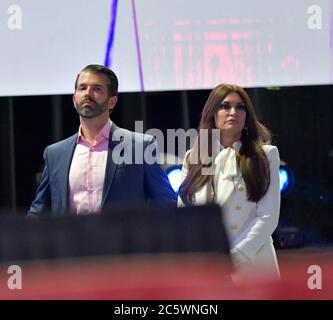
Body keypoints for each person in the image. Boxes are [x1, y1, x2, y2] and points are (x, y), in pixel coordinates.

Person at [28, 64, 176, 216]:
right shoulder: (55, 154)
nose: (88, 93)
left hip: (125, 239)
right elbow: (38, 211)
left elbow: (167, 204)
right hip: (71, 239)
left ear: (112, 102)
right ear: (74, 99)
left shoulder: (140, 146)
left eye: (97, 89)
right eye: (82, 88)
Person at [178, 83, 280, 284]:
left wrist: (234, 257)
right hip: (206, 269)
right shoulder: (193, 157)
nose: (233, 112)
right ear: (213, 113)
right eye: (225, 106)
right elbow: (183, 217)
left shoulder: (266, 155)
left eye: (240, 107)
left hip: (253, 267)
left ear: (247, 115)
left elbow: (268, 217)